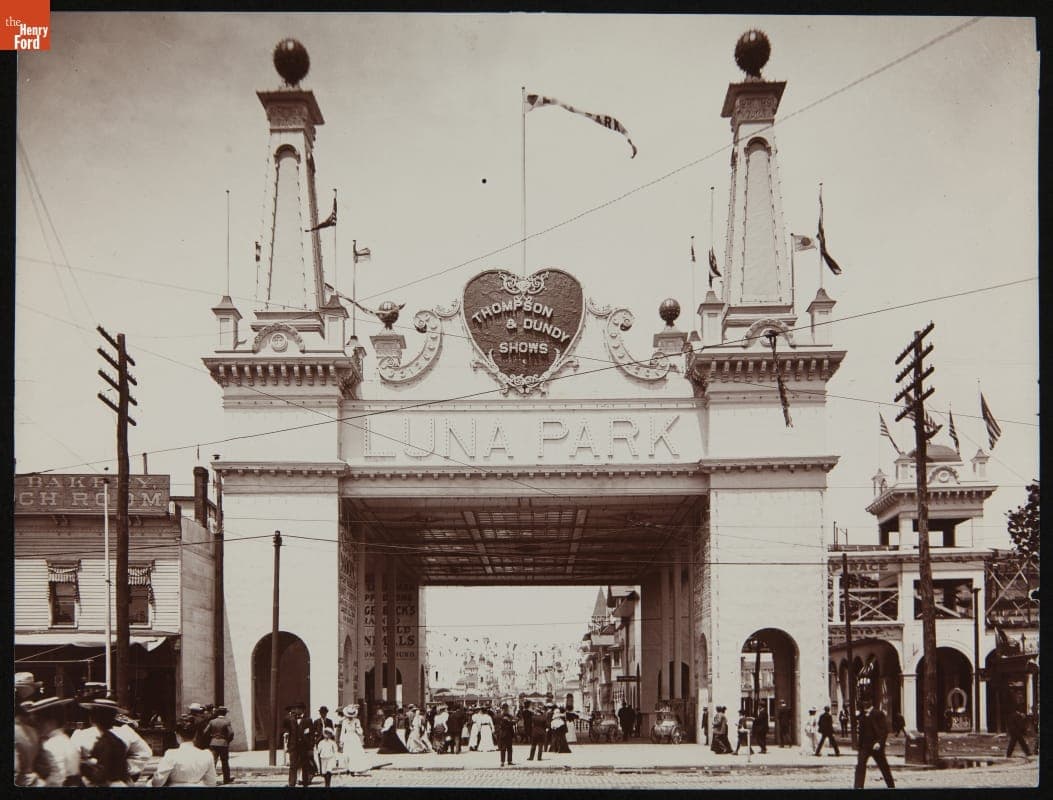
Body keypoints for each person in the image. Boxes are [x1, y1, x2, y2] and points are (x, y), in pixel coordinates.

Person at [151, 714, 218, 786]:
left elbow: (157, 782)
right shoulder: (207, 755)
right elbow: (212, 782)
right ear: (196, 735)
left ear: (177, 735)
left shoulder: (171, 754)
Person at [27, 697, 80, 786]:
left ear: (50, 721)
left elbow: (56, 779)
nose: (37, 725)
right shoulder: (65, 740)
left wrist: (34, 781)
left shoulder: (51, 745)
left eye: (39, 721)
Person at [78, 697, 131, 787]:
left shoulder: (106, 743)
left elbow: (101, 775)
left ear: (93, 718)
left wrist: (82, 766)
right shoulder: (115, 740)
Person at [853, 698, 895, 789]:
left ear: (870, 704)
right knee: (860, 765)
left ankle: (891, 786)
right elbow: (861, 731)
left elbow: (884, 730)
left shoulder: (878, 714)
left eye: (865, 704)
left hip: (876, 746)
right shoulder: (862, 715)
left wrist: (879, 743)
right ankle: (858, 787)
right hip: (864, 746)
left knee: (884, 767)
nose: (863, 706)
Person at [286, 702, 316, 787]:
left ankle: (305, 783)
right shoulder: (291, 720)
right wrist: (289, 747)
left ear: (303, 710)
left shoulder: (308, 720)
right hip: (293, 747)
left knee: (305, 765)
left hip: (304, 747)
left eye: (299, 708)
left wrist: (311, 748)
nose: (296, 710)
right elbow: (289, 733)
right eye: (296, 708)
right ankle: (291, 784)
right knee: (293, 766)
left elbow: (311, 735)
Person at [205, 704, 235, 783]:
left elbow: (205, 732)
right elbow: (231, 733)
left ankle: (211, 780)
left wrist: (212, 738)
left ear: (218, 713)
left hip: (213, 743)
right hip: (223, 743)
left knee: (213, 762)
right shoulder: (226, 721)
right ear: (225, 713)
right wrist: (227, 740)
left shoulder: (212, 721)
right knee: (224, 762)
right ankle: (226, 779)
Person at [340, 705, 371, 774]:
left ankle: (354, 769)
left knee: (354, 753)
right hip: (347, 737)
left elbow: (360, 731)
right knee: (347, 754)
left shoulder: (356, 721)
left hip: (354, 737)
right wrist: (341, 740)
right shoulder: (344, 721)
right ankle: (348, 768)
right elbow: (342, 731)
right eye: (349, 715)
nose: (350, 717)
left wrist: (358, 728)